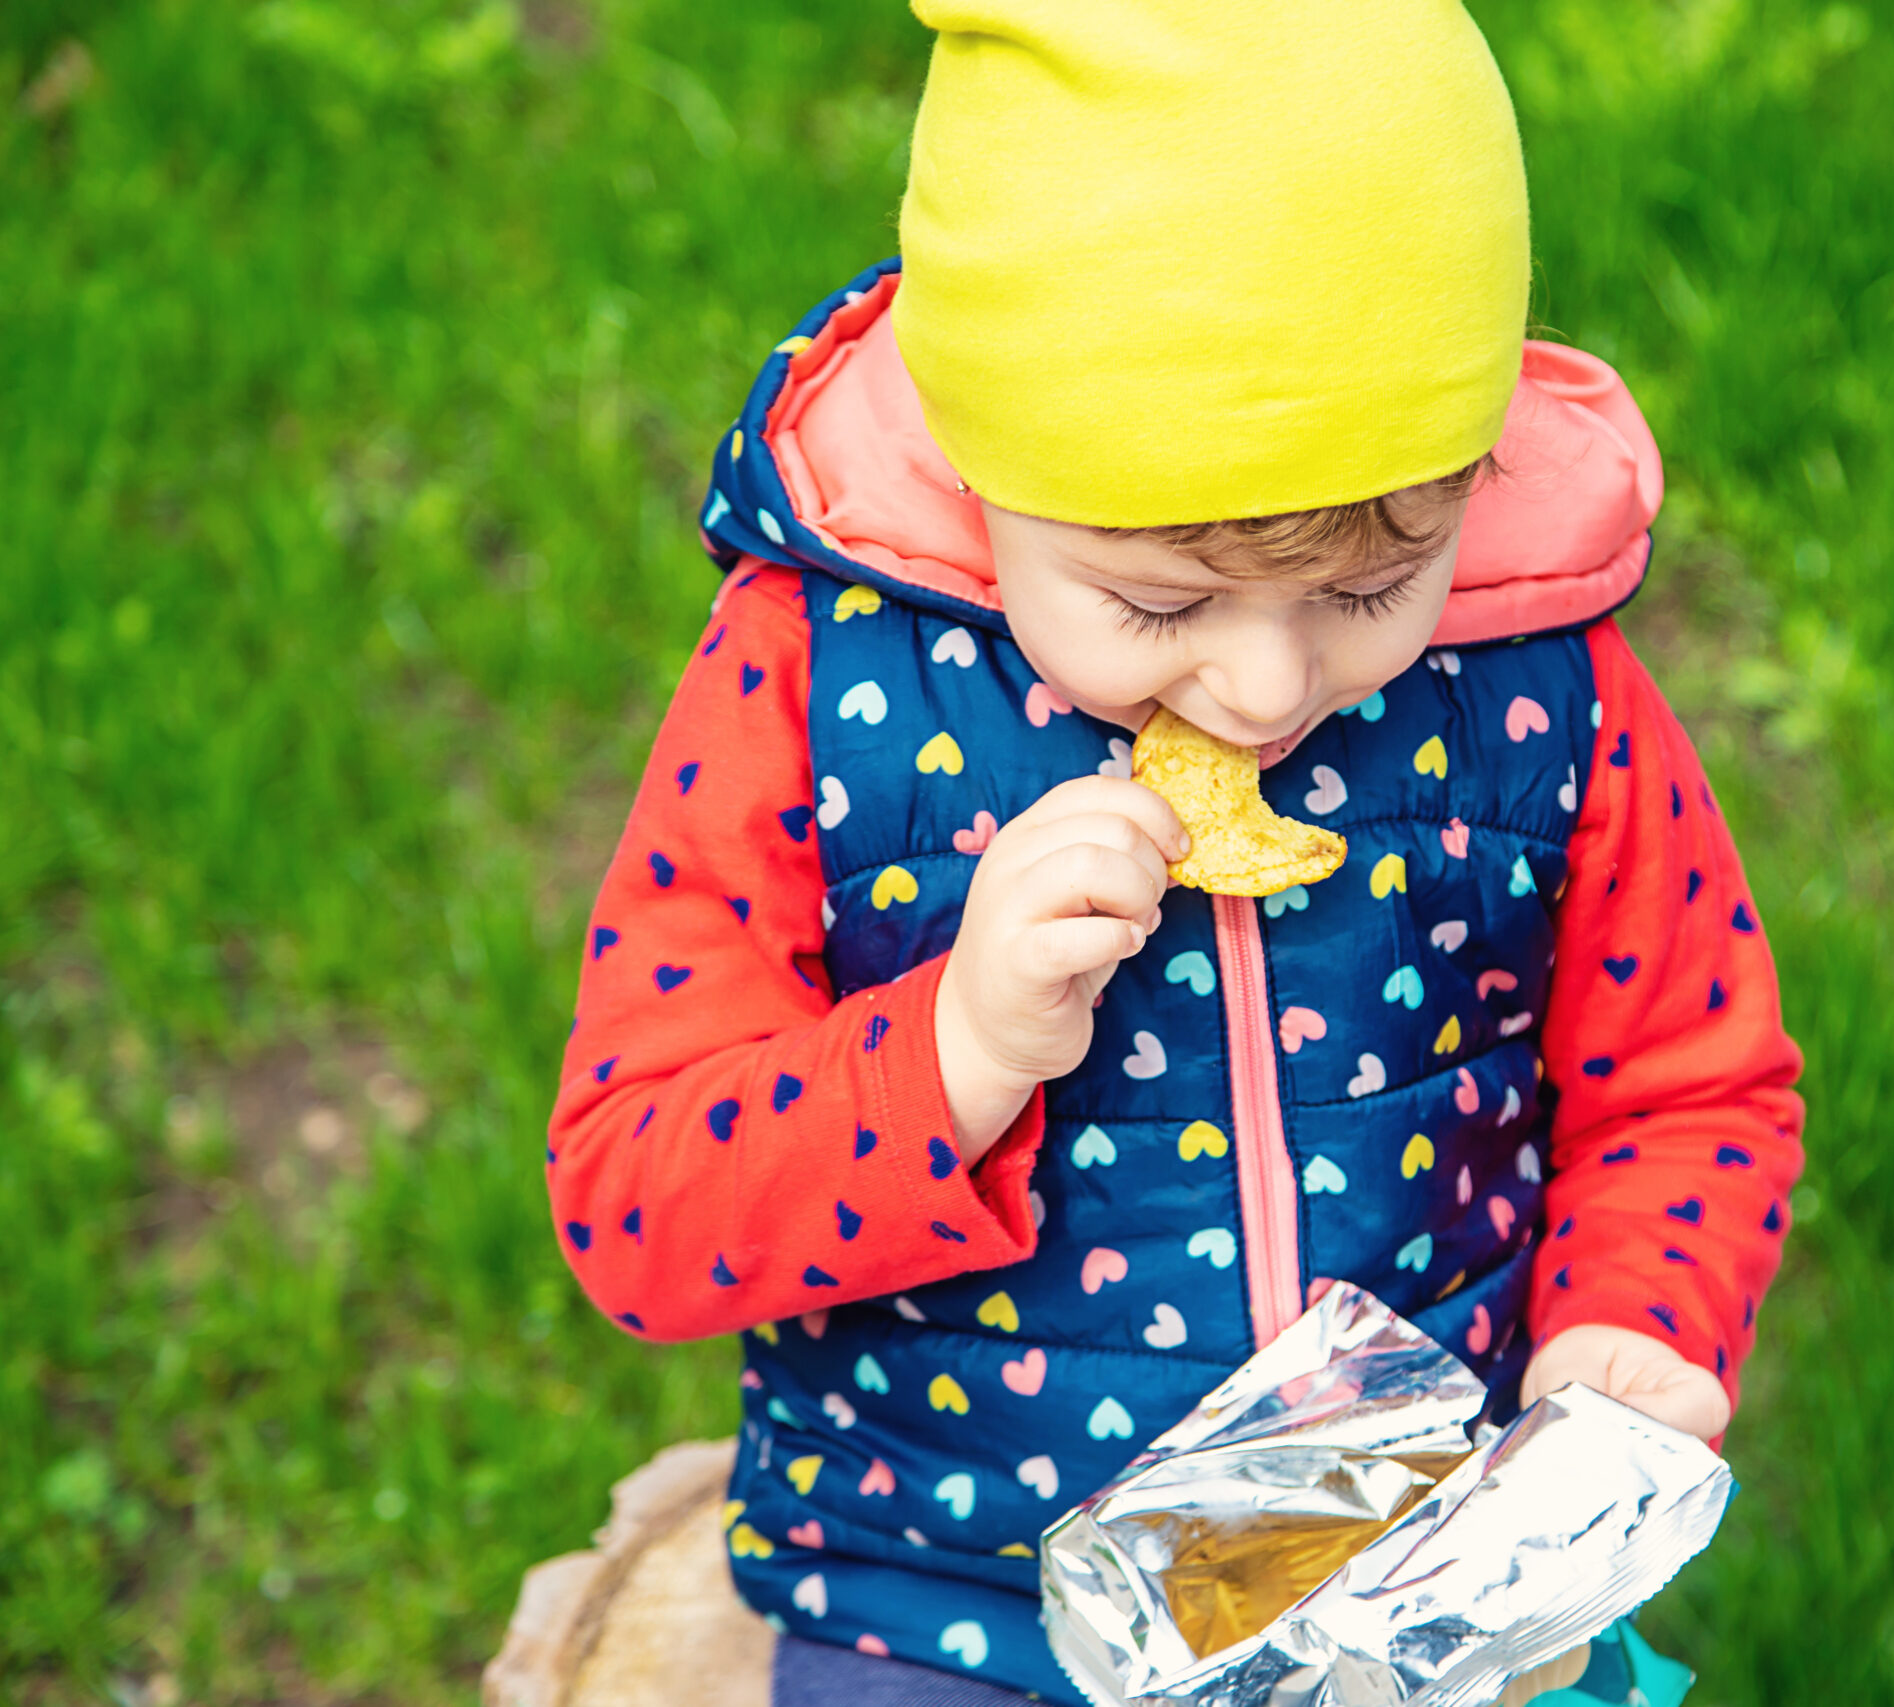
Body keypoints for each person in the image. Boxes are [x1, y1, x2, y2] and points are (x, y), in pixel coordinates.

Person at [545, 4, 1805, 1701]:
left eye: (1376, 583)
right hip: (940, 1597)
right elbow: (635, 1202)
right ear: (983, 461)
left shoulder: (1541, 686)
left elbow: (1688, 1085)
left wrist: (1639, 1321)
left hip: (1408, 1582)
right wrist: (954, 1050)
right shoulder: (814, 694)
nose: (1269, 682)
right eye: (1156, 602)